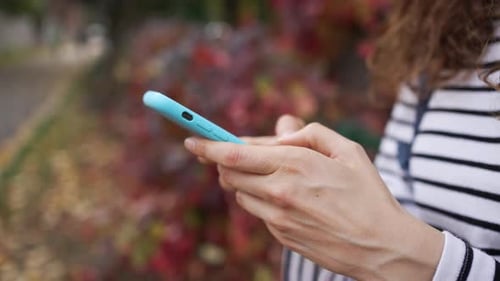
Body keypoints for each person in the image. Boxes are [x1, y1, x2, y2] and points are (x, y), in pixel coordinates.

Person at [184, 1, 500, 280]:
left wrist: (404, 256)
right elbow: (393, 206)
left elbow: (383, 242)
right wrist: (316, 188)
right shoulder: (451, 21)